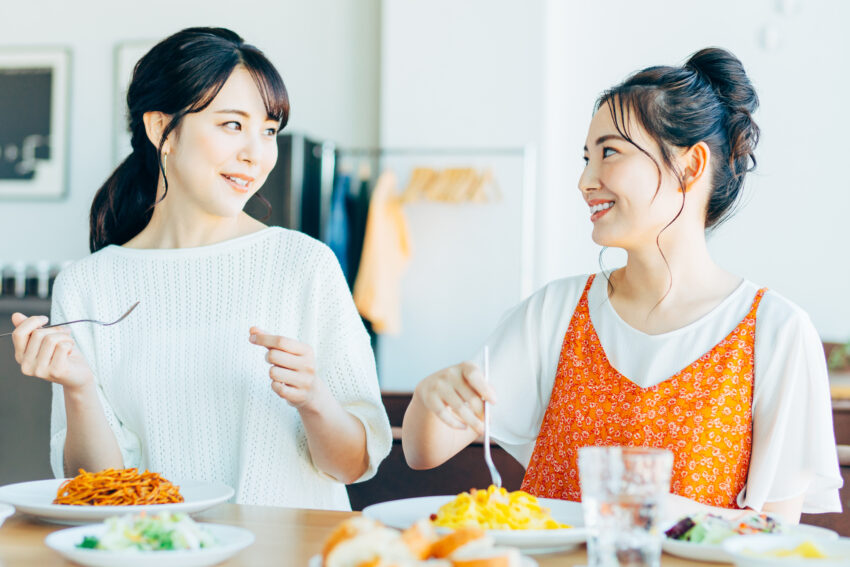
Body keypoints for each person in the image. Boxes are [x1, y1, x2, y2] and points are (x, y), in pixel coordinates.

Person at [402, 47, 842, 522]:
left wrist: (659, 512)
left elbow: (775, 531)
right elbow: (425, 452)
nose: (585, 180)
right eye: (586, 157)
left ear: (691, 167)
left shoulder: (776, 332)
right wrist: (430, 399)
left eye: (609, 152)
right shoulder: (556, 310)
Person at [9, 27, 391, 510]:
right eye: (232, 125)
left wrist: (314, 399)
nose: (257, 153)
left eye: (269, 131)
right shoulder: (87, 285)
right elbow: (102, 493)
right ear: (160, 129)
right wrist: (79, 388)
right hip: (158, 554)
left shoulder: (304, 265)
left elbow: (353, 465)